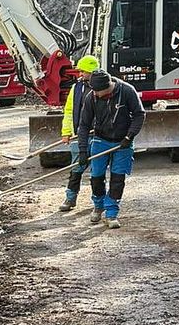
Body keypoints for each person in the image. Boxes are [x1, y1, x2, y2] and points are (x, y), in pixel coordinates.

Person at [76, 70, 145, 229]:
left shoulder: (127, 91)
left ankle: (111, 213)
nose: (95, 94)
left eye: (98, 91)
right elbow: (84, 125)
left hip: (123, 142)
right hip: (101, 140)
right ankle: (98, 205)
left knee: (118, 178)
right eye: (93, 90)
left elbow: (139, 115)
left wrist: (129, 137)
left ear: (108, 87)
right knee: (97, 176)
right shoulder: (91, 97)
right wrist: (82, 150)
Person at [58, 55, 100, 212]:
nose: (80, 74)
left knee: (97, 172)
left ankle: (98, 203)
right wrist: (66, 132)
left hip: (98, 136)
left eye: (83, 71)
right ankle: (70, 198)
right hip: (79, 134)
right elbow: (69, 111)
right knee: (76, 167)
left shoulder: (103, 87)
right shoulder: (76, 88)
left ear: (91, 72)